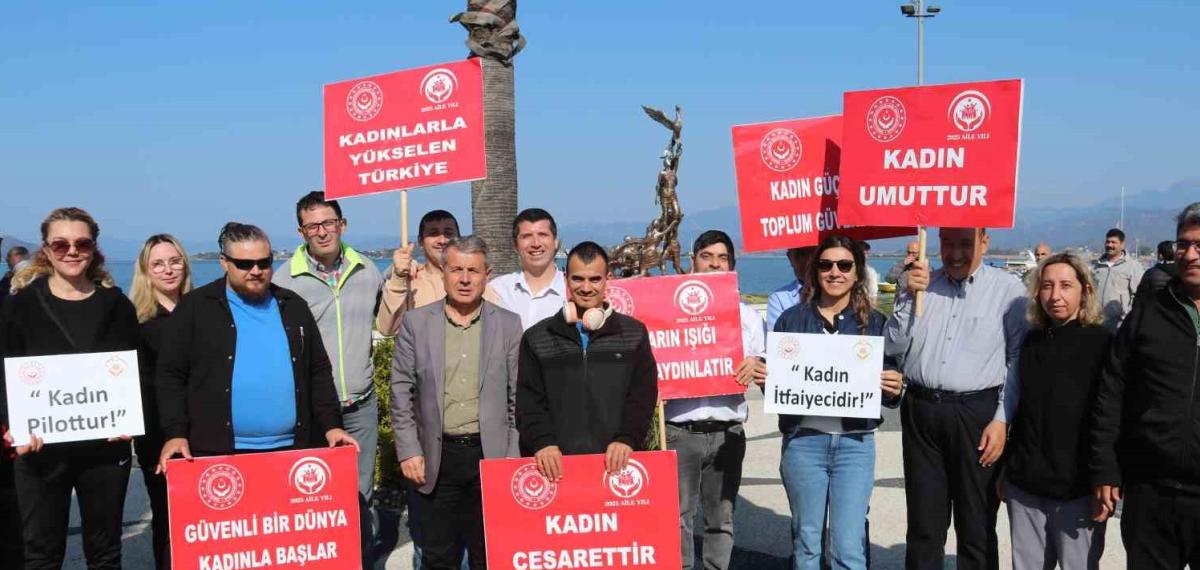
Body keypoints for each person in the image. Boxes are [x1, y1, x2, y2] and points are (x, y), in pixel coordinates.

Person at [0, 207, 139, 569]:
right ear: (45, 250)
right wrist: (11, 426)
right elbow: (3, 372)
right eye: (60, 244)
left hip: (105, 451)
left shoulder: (117, 306)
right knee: (42, 555)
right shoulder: (20, 306)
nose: (72, 251)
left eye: (82, 243)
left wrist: (130, 416)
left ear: (94, 248)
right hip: (40, 450)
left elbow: (134, 371)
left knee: (106, 554)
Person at [156, 222, 355, 470]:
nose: (256, 270)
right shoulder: (195, 308)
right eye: (244, 264)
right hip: (216, 454)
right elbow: (170, 376)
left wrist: (332, 425)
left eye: (264, 262)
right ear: (223, 262)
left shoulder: (293, 306)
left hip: (294, 451)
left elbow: (318, 372)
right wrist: (175, 433)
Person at [884, 227, 1027, 570]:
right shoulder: (923, 285)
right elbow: (892, 347)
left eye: (965, 243)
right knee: (923, 524)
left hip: (976, 414)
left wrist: (1002, 419)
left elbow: (1018, 359)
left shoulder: (1008, 290)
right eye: (947, 243)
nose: (955, 253)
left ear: (984, 241)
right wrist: (906, 296)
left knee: (975, 524)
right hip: (921, 411)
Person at [771, 235, 904, 569]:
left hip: (854, 446)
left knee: (848, 548)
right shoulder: (790, 321)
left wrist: (894, 386)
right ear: (815, 271)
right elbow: (780, 379)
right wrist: (767, 375)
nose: (835, 272)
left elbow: (891, 384)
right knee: (807, 544)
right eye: (826, 264)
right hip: (804, 443)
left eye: (844, 265)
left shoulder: (874, 323)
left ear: (857, 273)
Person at [391, 236, 523, 570]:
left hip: (488, 457)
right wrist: (408, 450)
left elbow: (516, 399)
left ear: (487, 274)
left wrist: (510, 456)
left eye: (473, 271)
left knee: (489, 554)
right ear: (444, 272)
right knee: (437, 556)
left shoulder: (508, 325)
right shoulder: (416, 323)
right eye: (457, 270)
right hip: (435, 458)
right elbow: (401, 392)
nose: (465, 279)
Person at [271, 191, 387, 568]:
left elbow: (387, 323)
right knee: (309, 500)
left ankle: (360, 562)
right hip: (308, 410)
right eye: (313, 225)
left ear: (343, 224)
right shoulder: (284, 280)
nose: (322, 232)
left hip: (359, 405)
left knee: (360, 496)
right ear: (301, 231)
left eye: (328, 223)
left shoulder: (366, 270)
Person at [1091, 202, 1200, 568]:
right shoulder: (1152, 307)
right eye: (1183, 244)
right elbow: (1113, 386)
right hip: (1150, 490)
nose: (1189, 254)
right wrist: (1106, 465)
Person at [665, 230, 766, 569]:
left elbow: (763, 364)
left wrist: (758, 365)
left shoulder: (748, 316)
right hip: (680, 430)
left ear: (732, 266)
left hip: (728, 433)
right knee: (677, 518)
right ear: (693, 262)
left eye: (722, 258)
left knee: (721, 519)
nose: (714, 263)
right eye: (707, 256)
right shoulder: (668, 309)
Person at [1000, 252, 1109, 569]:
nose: (1055, 295)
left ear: (1084, 290)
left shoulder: (1102, 343)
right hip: (1027, 484)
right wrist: (1009, 466)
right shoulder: (1032, 342)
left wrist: (1104, 478)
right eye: (1046, 286)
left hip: (1077, 488)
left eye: (1065, 285)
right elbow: (1024, 412)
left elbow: (1108, 417)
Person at [516, 241, 658, 480]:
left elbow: (642, 395)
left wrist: (627, 439)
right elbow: (528, 401)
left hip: (618, 466)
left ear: (607, 279)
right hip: (554, 469)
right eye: (578, 279)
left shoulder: (633, 333)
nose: (586, 287)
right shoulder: (537, 337)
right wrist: (543, 442)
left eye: (594, 279)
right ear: (566, 279)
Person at [128, 234, 194, 570]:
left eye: (174, 260)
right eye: (158, 263)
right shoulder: (134, 322)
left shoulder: (204, 310)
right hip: (157, 434)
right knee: (167, 518)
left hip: (204, 430)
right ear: (145, 271)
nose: (168, 270)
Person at [377, 210, 461, 336]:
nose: (442, 240)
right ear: (420, 241)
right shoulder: (411, 282)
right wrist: (398, 277)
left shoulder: (473, 280)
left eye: (448, 233)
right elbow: (387, 328)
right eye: (433, 233)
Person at [487, 208, 567, 330]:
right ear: (515, 245)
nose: (536, 243)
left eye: (543, 235)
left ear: (555, 242)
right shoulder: (498, 290)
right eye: (526, 236)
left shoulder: (571, 290)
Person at [1092, 228, 1144, 331]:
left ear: (1122, 244)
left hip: (1119, 324)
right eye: (1107, 242)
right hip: (1096, 320)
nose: (1109, 245)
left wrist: (1126, 316)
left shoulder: (1132, 266)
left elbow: (1139, 294)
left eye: (1113, 242)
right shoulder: (1097, 266)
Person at [767, 247, 816, 331]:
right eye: (801, 254)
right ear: (790, 258)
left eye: (813, 253)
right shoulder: (780, 299)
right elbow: (778, 340)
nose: (808, 260)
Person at [859, 240, 881, 306]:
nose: (866, 256)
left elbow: (873, 293)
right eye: (865, 254)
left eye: (867, 254)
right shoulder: (848, 268)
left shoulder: (870, 271)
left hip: (863, 305)